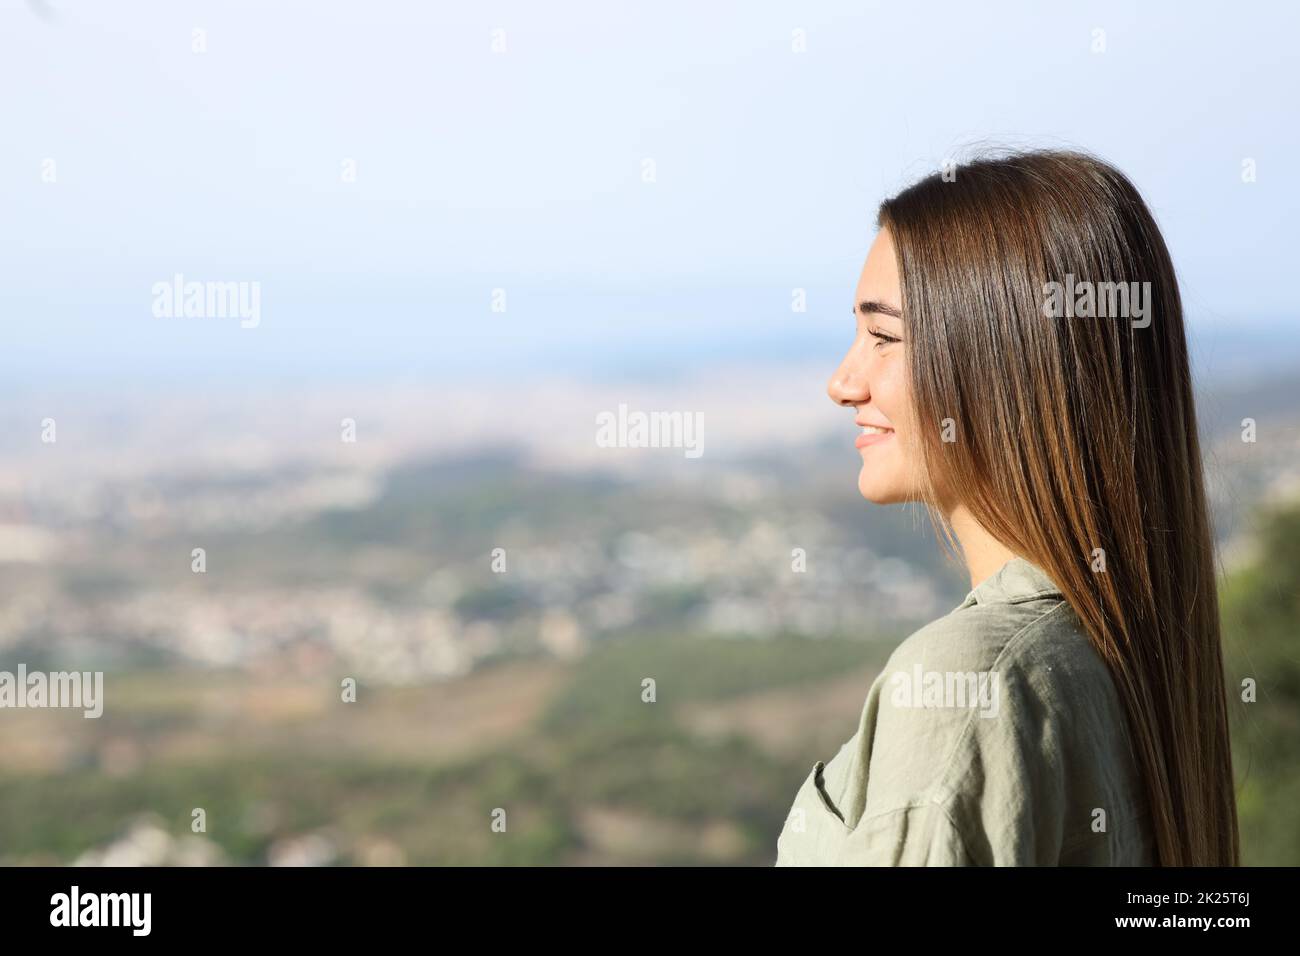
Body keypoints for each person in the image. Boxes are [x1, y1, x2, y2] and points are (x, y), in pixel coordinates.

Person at [774, 150, 1239, 866]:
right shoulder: (1126, 650)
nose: (842, 382)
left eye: (884, 337)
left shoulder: (969, 682)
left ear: (1004, 360)